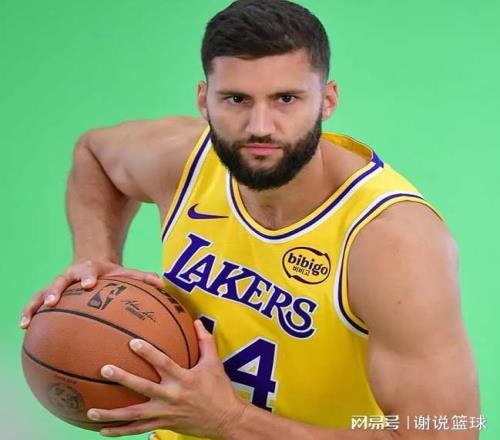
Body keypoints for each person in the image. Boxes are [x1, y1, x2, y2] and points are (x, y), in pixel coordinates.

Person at [21, 0, 480, 439]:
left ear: (327, 100)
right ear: (204, 99)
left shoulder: (391, 240)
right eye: (237, 99)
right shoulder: (186, 162)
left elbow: (447, 435)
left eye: (286, 98)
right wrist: (95, 260)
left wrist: (229, 422)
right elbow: (95, 155)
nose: (260, 126)